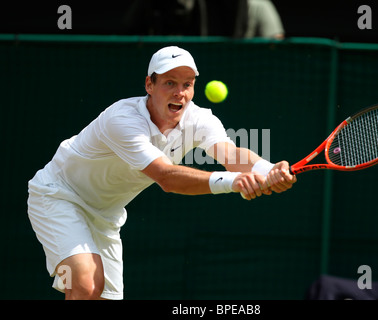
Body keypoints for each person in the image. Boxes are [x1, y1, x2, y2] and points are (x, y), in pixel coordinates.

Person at [27, 46, 297, 300]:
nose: (180, 92)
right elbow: (166, 177)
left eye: (187, 84)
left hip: (105, 215)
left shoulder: (200, 119)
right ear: (149, 85)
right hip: (57, 196)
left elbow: (231, 155)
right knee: (86, 285)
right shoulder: (122, 120)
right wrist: (234, 182)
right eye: (170, 82)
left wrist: (269, 169)